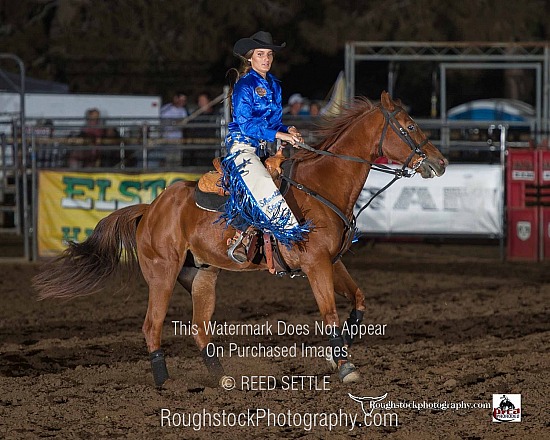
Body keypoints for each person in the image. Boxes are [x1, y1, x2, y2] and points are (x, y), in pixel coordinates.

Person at [222, 31, 310, 263]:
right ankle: (242, 236)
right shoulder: (244, 85)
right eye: (261, 54)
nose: (266, 59)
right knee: (260, 182)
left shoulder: (274, 85)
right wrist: (279, 134)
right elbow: (246, 124)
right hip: (242, 146)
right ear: (250, 58)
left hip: (263, 148)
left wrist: (287, 129)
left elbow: (273, 122)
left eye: (269, 54)